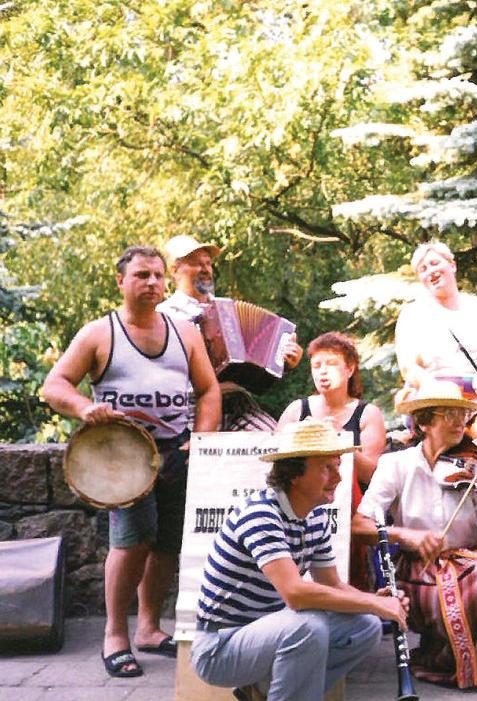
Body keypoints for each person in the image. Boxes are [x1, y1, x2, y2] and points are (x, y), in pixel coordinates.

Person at [41, 246, 221, 677]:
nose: (152, 283)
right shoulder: (99, 333)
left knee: (166, 545)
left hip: (177, 451)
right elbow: (55, 385)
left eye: (158, 275)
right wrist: (86, 409)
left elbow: (209, 391)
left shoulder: (185, 331)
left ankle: (149, 628)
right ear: (120, 281)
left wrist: (204, 437)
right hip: (123, 458)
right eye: (141, 275)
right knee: (131, 542)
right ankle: (115, 635)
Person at [191, 419, 408, 701]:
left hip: (270, 632)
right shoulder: (260, 515)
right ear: (294, 473)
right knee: (308, 626)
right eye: (326, 468)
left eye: (338, 466)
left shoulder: (315, 515)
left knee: (365, 626)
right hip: (219, 648)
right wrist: (376, 603)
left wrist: (376, 604)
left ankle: (271, 689)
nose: (339, 478)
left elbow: (331, 584)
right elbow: (295, 594)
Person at [351, 380, 477, 689]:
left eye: (462, 413)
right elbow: (359, 526)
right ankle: (452, 659)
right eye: (449, 414)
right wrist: (406, 536)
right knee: (476, 575)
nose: (460, 422)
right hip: (419, 565)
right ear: (425, 422)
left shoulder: (472, 468)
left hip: (467, 561)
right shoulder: (395, 464)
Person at [157, 233, 302, 431]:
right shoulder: (164, 315)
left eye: (208, 263)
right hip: (191, 405)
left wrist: (285, 360)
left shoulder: (225, 310)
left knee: (272, 447)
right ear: (175, 270)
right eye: (197, 263)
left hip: (237, 402)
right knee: (190, 456)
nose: (206, 269)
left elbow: (256, 368)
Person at [278, 331, 387, 589]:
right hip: (299, 505)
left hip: (347, 509)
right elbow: (275, 455)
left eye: (331, 364)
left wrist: (339, 441)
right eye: (316, 366)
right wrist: (310, 433)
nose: (322, 372)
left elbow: (372, 473)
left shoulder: (367, 413)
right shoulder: (298, 409)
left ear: (350, 368)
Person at [394, 240, 477, 453]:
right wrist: (437, 391)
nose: (431, 271)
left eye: (434, 263)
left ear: (452, 265)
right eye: (423, 269)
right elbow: (408, 367)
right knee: (440, 427)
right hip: (436, 396)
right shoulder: (412, 314)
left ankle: (472, 475)